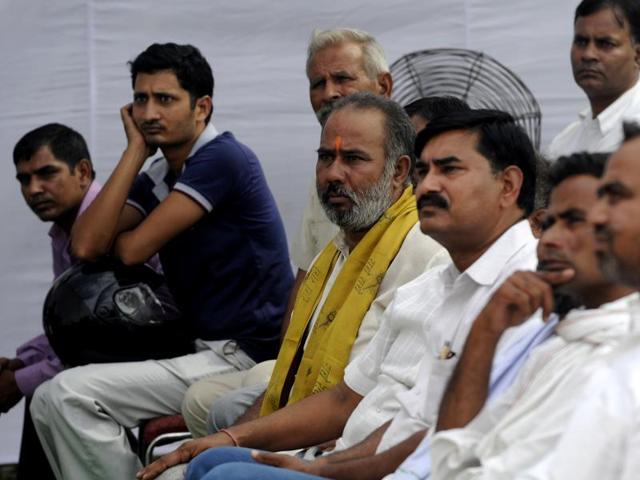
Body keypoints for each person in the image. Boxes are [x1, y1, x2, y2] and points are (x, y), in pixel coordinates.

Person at [138, 108, 542, 480]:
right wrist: (236, 440)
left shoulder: (525, 292)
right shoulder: (434, 284)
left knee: (224, 474)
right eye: (425, 170)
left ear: (508, 185)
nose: (428, 184)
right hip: (354, 453)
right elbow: (354, 401)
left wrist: (328, 468)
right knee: (212, 459)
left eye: (449, 170)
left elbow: (443, 433)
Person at [30, 43, 293, 480]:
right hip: (202, 350)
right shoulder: (160, 172)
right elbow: (87, 246)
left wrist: (128, 228)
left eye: (165, 99)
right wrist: (135, 151)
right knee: (52, 397)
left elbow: (131, 251)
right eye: (140, 99)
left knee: (65, 395)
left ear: (201, 107)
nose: (149, 112)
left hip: (243, 354)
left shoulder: (222, 158)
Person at [181, 27, 397, 438]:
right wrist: (289, 365)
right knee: (208, 399)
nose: (329, 92)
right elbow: (304, 281)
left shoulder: (407, 174)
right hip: (310, 358)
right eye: (318, 83)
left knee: (225, 407)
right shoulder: (329, 176)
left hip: (366, 368)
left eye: (342, 78)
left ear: (383, 85)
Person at [428, 152, 637, 479]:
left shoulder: (620, 361)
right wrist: (485, 330)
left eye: (575, 221)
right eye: (549, 224)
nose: (549, 240)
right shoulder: (560, 350)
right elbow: (450, 462)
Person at [528, 122, 640, 479]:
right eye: (550, 223)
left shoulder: (615, 356)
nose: (600, 218)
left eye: (617, 197)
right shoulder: (565, 345)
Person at [1, 123, 99, 479]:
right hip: (110, 344)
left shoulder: (102, 222)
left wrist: (21, 379)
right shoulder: (63, 229)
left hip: (164, 347)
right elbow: (70, 326)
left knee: (44, 390)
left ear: (83, 172)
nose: (34, 189)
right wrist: (20, 362)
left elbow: (95, 339)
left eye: (46, 174)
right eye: (24, 180)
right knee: (36, 385)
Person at [548, 0, 640, 159]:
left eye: (605, 43)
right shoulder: (563, 143)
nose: (588, 55)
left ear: (637, 56)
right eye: (581, 42)